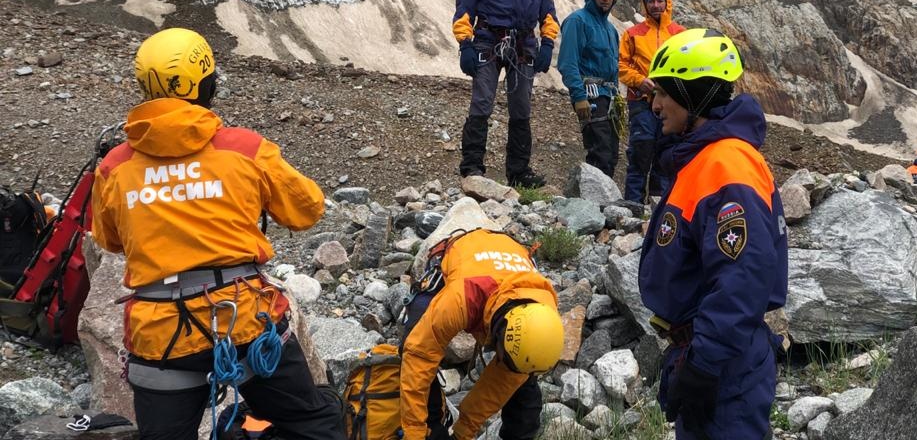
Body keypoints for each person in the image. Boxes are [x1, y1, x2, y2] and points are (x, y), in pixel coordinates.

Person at [91, 28, 343, 440]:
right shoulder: (244, 148)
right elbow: (307, 210)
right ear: (205, 83)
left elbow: (110, 239)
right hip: (243, 322)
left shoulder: (115, 166)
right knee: (314, 425)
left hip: (160, 338)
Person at [638, 28, 788, 440]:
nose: (655, 104)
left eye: (664, 92)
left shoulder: (728, 167)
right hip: (709, 351)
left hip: (725, 363)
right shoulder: (706, 158)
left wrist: (704, 365)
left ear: (694, 94)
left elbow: (743, 277)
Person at [400, 228, 564, 440]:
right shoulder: (462, 298)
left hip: (502, 262)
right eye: (505, 359)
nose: (506, 368)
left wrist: (463, 432)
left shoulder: (542, 318)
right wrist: (414, 433)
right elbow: (419, 355)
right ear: (499, 333)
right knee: (413, 340)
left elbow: (502, 382)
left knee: (523, 379)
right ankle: (433, 427)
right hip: (464, 256)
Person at [453, 0, 559, 188]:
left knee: (522, 108)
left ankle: (519, 172)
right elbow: (464, 10)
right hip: (488, 40)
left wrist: (547, 43)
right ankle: (472, 168)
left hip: (524, 44)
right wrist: (465, 44)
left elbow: (548, 13)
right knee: (481, 103)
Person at [618, 0, 686, 203]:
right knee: (640, 152)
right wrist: (639, 81)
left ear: (667, 2)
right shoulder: (632, 34)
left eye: (659, 0)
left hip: (671, 103)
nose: (656, 5)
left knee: (666, 157)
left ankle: (660, 210)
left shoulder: (680, 34)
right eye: (651, 1)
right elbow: (620, 65)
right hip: (641, 101)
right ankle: (632, 209)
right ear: (644, 4)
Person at [556, 0, 621, 177]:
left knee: (611, 152)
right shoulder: (577, 21)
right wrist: (578, 96)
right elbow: (567, 63)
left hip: (609, 96)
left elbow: (614, 69)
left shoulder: (611, 29)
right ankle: (596, 203)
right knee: (599, 149)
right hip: (591, 94)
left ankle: (605, 204)